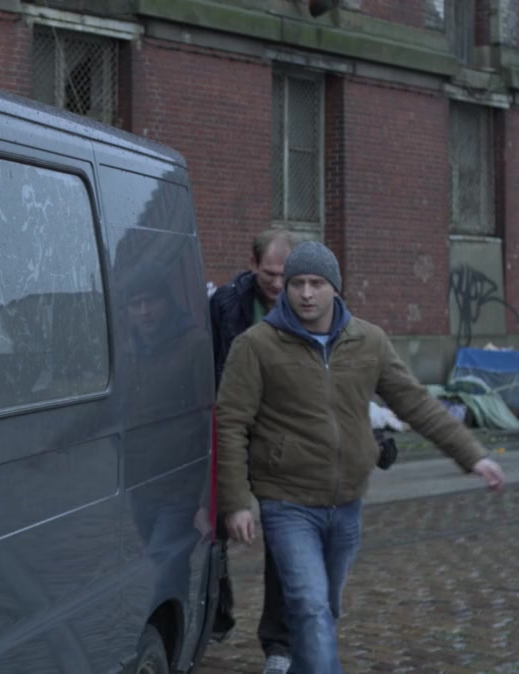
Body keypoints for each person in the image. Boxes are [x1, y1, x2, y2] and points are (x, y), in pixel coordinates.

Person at [216, 241, 505, 674]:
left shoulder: (369, 341)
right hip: (287, 502)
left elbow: (415, 403)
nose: (306, 293)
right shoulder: (256, 345)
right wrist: (237, 502)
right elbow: (230, 422)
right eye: (297, 283)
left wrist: (472, 455)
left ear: (335, 288)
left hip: (346, 501)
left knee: (324, 610)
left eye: (317, 283)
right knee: (310, 606)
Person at [207, 228, 296, 673]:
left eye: (285, 275)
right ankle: (215, 613)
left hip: (283, 437)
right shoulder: (226, 304)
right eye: (269, 274)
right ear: (253, 265)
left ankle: (279, 645)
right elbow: (211, 364)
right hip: (236, 429)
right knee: (216, 525)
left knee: (283, 539)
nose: (277, 284)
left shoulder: (310, 302)